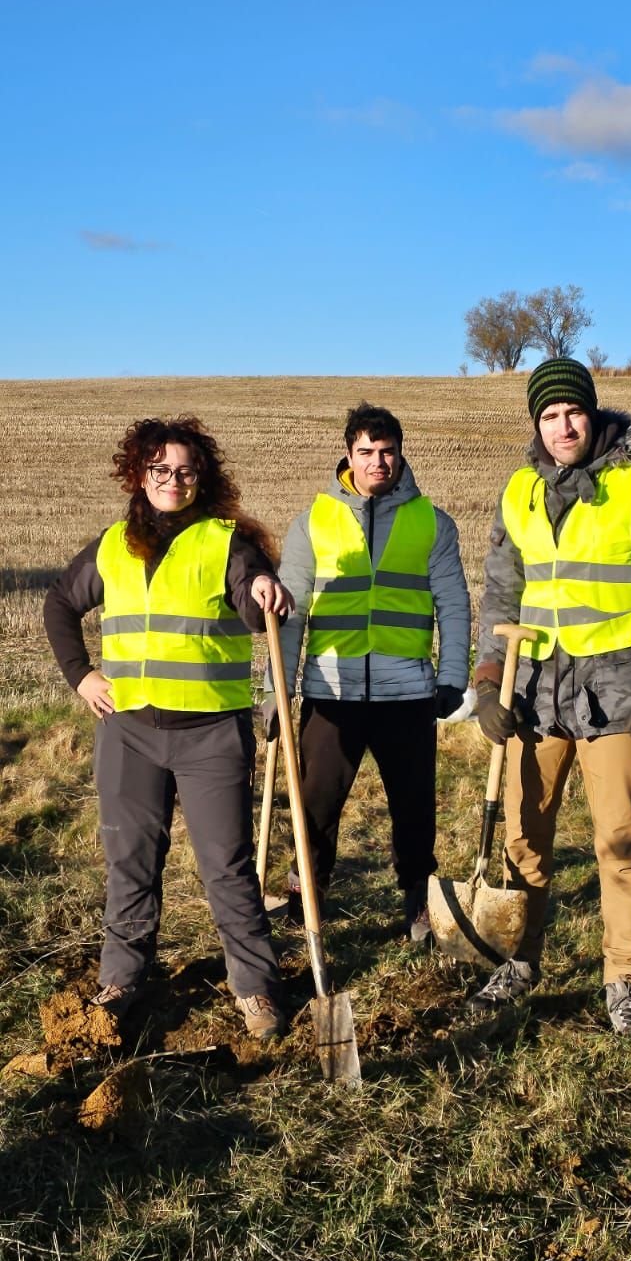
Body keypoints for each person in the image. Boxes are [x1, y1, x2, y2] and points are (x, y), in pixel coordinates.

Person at [472, 357, 631, 1036]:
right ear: (536, 425)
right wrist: (489, 681)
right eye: (548, 415)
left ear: (594, 413)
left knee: (620, 840)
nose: (562, 425)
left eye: (573, 411)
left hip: (620, 690)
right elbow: (499, 595)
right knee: (525, 839)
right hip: (537, 692)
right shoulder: (517, 492)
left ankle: (624, 978)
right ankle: (519, 960)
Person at [43, 415, 294, 1039]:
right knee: (129, 861)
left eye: (184, 471)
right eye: (160, 470)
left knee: (227, 866)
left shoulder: (226, 542)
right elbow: (59, 605)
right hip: (128, 731)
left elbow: (250, 589)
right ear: (140, 474)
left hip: (211, 734)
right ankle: (123, 979)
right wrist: (81, 676)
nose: (172, 480)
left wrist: (264, 586)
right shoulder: (112, 545)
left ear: (199, 477)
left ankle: (256, 988)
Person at [264, 402, 470, 932]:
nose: (377, 462)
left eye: (387, 452)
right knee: (315, 804)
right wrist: (277, 692)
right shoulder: (312, 522)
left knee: (415, 808)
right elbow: (288, 616)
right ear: (348, 455)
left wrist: (452, 678)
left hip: (408, 693)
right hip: (331, 694)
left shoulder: (432, 523)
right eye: (366, 452)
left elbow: (453, 603)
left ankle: (418, 901)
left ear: (400, 455)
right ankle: (303, 896)